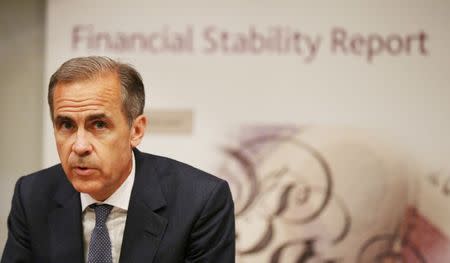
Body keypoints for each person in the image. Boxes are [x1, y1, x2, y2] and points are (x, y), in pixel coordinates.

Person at [1, 56, 235, 263]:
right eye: (66, 125)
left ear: (136, 131)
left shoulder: (200, 201)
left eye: (99, 125)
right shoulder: (32, 196)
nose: (79, 146)